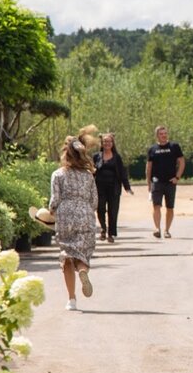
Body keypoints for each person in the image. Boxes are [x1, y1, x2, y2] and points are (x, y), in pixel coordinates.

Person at [50, 131, 98, 311]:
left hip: (66, 215)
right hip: (85, 214)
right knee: (82, 253)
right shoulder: (88, 175)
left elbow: (55, 199)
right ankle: (83, 271)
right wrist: (86, 211)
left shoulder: (58, 174)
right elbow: (94, 201)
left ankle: (71, 299)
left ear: (65, 153)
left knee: (67, 255)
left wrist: (50, 213)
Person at [146, 125, 184, 238]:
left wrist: (177, 177)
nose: (163, 135)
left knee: (170, 207)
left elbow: (182, 162)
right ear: (157, 135)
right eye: (161, 134)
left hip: (170, 182)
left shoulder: (174, 146)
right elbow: (149, 166)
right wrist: (148, 183)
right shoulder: (152, 149)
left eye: (165, 133)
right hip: (156, 182)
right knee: (156, 205)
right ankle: (157, 229)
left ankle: (167, 230)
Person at [93, 132, 132, 243]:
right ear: (102, 143)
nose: (107, 143)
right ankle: (103, 229)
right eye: (105, 141)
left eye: (109, 141)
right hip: (99, 187)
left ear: (112, 143)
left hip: (114, 187)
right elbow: (91, 171)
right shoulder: (96, 156)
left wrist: (127, 187)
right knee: (100, 209)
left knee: (113, 211)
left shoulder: (117, 157)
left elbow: (122, 173)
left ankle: (111, 234)